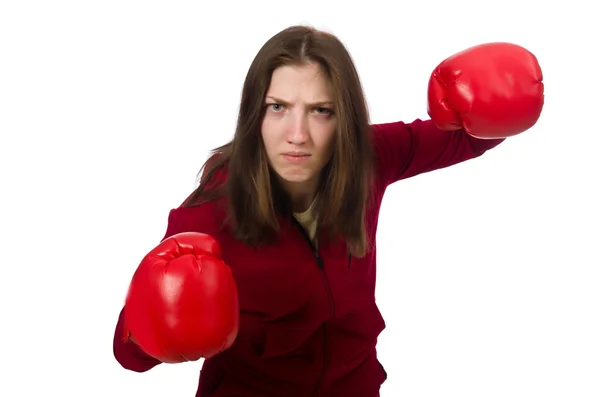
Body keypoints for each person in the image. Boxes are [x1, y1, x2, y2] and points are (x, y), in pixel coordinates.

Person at [113, 25, 544, 397]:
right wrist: (152, 333)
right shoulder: (208, 217)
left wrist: (493, 97)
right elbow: (129, 354)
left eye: (321, 111)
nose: (297, 134)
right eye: (277, 107)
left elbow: (465, 135)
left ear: (345, 120)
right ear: (254, 115)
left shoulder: (366, 158)